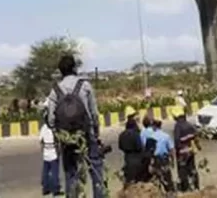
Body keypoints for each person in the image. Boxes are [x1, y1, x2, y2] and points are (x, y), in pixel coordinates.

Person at [45, 54, 104, 198]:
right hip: (86, 134)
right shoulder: (85, 85)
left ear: (60, 71)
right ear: (74, 68)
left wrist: (58, 133)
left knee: (71, 172)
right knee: (95, 167)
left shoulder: (55, 90)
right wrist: (95, 133)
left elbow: (51, 120)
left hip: (67, 139)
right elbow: (94, 113)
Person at [172, 107, 199, 192]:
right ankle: (196, 187)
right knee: (192, 169)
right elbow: (195, 135)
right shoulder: (189, 124)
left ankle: (185, 189)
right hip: (190, 150)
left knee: (182, 170)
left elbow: (177, 140)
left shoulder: (178, 126)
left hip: (182, 153)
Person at [118, 117, 147, 187]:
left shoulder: (122, 134)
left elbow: (120, 146)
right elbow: (139, 147)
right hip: (137, 158)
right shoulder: (135, 134)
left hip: (127, 157)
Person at [39, 109, 61, 196]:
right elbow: (57, 141)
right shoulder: (55, 129)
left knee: (45, 172)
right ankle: (55, 189)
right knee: (55, 172)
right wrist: (58, 152)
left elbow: (40, 141)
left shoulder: (43, 128)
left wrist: (43, 150)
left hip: (46, 153)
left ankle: (45, 188)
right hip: (53, 153)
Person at [151, 120, 175, 192]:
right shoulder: (166, 136)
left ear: (154, 126)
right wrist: (172, 160)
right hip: (164, 159)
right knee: (167, 178)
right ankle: (170, 192)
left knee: (156, 179)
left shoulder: (151, 137)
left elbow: (148, 150)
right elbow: (171, 149)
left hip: (155, 160)